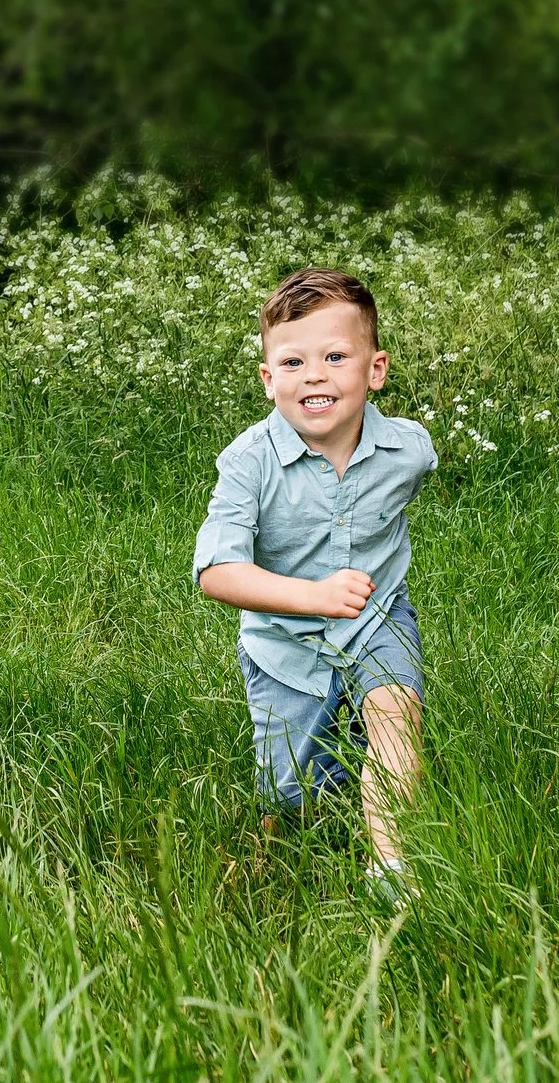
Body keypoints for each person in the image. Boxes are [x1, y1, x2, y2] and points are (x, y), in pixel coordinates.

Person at [194, 269, 437, 905]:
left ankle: (390, 868)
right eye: (294, 361)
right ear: (269, 378)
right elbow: (215, 572)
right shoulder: (248, 462)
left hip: (379, 621)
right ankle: (271, 863)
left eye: (336, 356)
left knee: (394, 714)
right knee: (294, 794)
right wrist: (315, 596)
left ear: (375, 370)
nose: (316, 375)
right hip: (284, 644)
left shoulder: (409, 450)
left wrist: (356, 596)